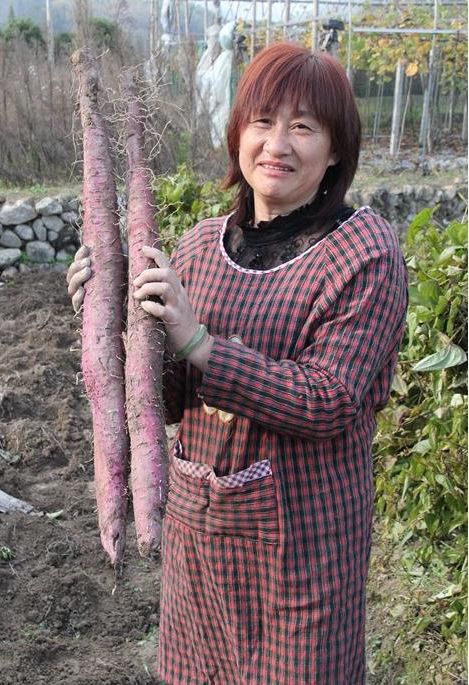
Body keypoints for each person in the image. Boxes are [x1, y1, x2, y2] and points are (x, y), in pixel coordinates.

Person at [67, 43, 408, 685]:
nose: (277, 143)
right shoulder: (197, 246)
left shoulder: (365, 251)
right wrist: (108, 320)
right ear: (238, 134)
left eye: (303, 127)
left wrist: (200, 342)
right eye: (262, 122)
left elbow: (329, 398)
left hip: (303, 559)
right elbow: (166, 400)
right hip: (197, 548)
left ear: (335, 149)